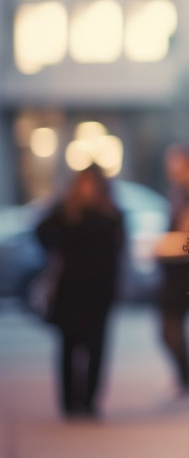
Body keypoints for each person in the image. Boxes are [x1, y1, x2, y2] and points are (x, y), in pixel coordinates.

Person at [36, 164, 126, 420]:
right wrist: (55, 252)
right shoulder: (66, 211)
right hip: (71, 287)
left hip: (100, 288)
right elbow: (41, 231)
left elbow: (119, 250)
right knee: (69, 344)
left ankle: (89, 400)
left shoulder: (111, 213)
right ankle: (68, 402)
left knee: (97, 345)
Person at [154, 142, 189, 395]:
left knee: (170, 329)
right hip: (172, 269)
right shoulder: (178, 190)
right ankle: (185, 378)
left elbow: (187, 232)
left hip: (182, 270)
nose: (171, 167)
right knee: (168, 330)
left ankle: (186, 379)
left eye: (176, 160)